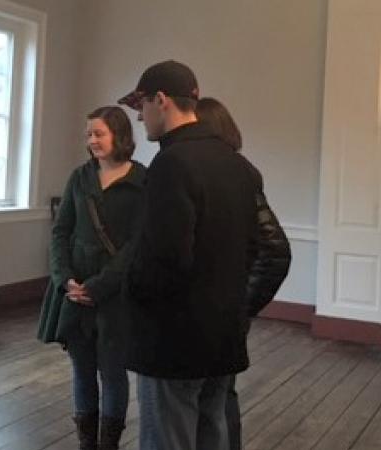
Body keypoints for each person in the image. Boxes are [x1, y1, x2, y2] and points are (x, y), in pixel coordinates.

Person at [117, 60, 260, 450]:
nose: (140, 118)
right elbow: (252, 247)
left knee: (168, 439)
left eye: (141, 106)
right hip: (223, 335)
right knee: (211, 433)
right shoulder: (235, 163)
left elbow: (164, 257)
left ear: (161, 100)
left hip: (174, 340)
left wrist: (134, 296)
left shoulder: (172, 163)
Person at [37, 106, 146, 450]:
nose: (92, 140)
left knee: (113, 373)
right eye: (89, 135)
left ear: (119, 135)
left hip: (116, 295)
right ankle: (87, 444)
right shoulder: (80, 178)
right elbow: (60, 233)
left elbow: (137, 245)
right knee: (82, 370)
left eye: (99, 133)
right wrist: (65, 278)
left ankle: (109, 445)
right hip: (75, 293)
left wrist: (100, 286)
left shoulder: (143, 181)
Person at [196, 97, 292, 450]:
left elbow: (274, 251)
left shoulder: (235, 176)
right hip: (226, 304)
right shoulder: (243, 172)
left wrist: (244, 305)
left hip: (221, 306)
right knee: (222, 391)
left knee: (216, 395)